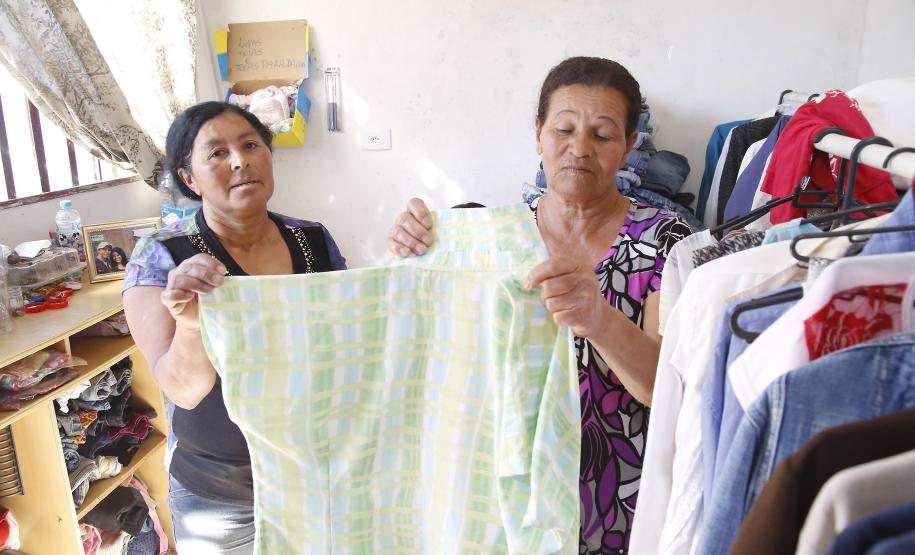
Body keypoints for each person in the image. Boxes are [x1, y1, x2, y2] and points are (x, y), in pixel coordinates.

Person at [388, 56, 691, 554]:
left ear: (629, 145)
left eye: (603, 134)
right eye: (564, 128)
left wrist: (597, 318)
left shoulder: (669, 242)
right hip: (500, 499)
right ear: (538, 133)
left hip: (619, 496)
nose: (579, 148)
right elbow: (430, 353)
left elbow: (668, 390)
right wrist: (411, 250)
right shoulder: (493, 238)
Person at [122, 101, 346, 554]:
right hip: (221, 495)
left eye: (250, 145)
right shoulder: (163, 257)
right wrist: (190, 324)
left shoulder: (313, 239)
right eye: (217, 153)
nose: (240, 160)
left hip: (319, 472)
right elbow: (183, 391)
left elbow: (349, 342)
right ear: (189, 178)